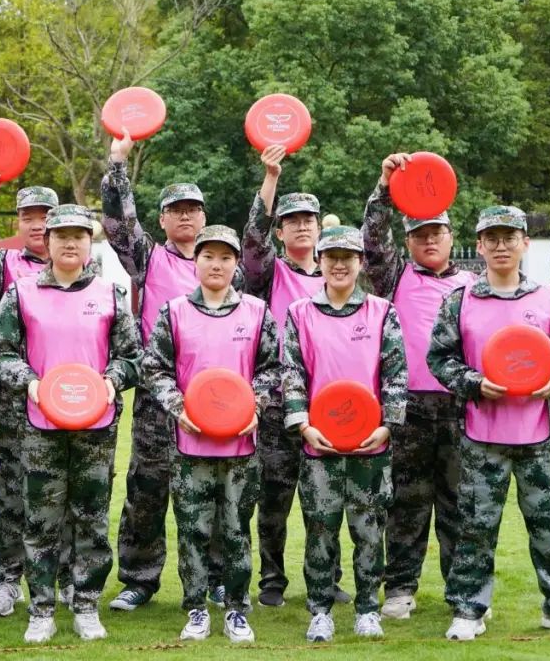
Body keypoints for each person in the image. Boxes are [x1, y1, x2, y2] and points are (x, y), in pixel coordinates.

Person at [428, 205, 550, 641]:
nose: (501, 246)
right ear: (479, 246)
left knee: (547, 522)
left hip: (537, 434)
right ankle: (469, 609)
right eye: (492, 238)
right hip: (481, 435)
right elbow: (439, 358)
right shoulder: (461, 300)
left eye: (510, 237)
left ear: (524, 244)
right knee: (476, 525)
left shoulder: (549, 298)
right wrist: (474, 383)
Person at [0, 204, 142, 643]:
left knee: (91, 518)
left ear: (90, 241)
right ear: (48, 241)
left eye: (79, 235)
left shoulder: (111, 293)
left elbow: (132, 357)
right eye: (61, 235)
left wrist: (111, 381)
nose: (70, 243)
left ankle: (86, 604)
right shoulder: (22, 292)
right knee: (41, 519)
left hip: (96, 427)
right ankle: (41, 609)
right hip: (41, 425)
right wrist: (30, 383)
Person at [102, 130, 242, 611]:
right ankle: (139, 579)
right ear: (162, 219)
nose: (185, 216)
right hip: (158, 396)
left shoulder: (226, 266)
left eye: (193, 209)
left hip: (216, 397)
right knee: (147, 487)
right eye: (175, 210)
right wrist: (117, 164)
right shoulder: (147, 256)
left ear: (204, 217)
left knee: (214, 488)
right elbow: (118, 223)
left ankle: (216, 577)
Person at [0, 178, 83, 616]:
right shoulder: (3, 264)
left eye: (45, 217)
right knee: (12, 491)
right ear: (19, 222)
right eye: (28, 217)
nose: (37, 225)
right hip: (14, 398)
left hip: (69, 399)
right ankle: (8, 580)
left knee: (63, 492)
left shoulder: (84, 272)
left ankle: (64, 578)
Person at [143, 225, 280, 643]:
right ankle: (196, 609)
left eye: (225, 257)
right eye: (208, 256)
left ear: (236, 263)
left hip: (241, 443)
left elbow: (273, 369)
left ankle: (236, 609)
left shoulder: (256, 312)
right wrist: (178, 406)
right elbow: (155, 368)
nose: (216, 265)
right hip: (191, 443)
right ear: (196, 262)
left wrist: (257, 405)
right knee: (193, 529)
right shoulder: (174, 312)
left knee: (237, 529)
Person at [361, 153, 477, 619]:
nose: (429, 240)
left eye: (437, 233)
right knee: (406, 502)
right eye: (420, 234)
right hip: (407, 407)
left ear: (451, 236)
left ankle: (462, 588)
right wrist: (384, 187)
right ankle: (400, 589)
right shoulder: (395, 277)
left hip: (460, 406)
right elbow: (372, 241)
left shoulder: (474, 284)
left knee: (459, 502)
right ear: (408, 241)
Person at [282, 225, 408, 643]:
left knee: (369, 529)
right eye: (331, 257)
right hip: (319, 443)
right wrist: (303, 425)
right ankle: (320, 610)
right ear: (319, 261)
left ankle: (368, 608)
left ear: (360, 263)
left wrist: (388, 425)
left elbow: (395, 373)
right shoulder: (300, 312)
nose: (339, 265)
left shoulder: (381, 311)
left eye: (347, 257)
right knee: (320, 529)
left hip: (370, 444)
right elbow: (292, 373)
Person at [240, 144, 349, 608]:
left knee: (327, 498)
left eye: (309, 219)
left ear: (319, 227)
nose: (302, 225)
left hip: (328, 402)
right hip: (278, 401)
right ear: (281, 231)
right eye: (292, 220)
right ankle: (272, 579)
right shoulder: (267, 274)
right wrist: (271, 179)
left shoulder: (338, 274)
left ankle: (328, 578)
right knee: (274, 497)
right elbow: (252, 239)